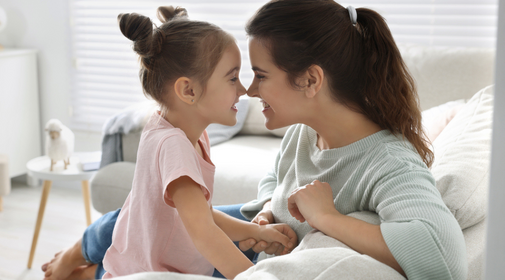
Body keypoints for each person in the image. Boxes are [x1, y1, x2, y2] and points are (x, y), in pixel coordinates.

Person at [43, 0, 468, 279]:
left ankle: (87, 269)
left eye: (260, 75)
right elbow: (275, 183)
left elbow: (444, 259)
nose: (249, 90)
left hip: (251, 259)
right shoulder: (304, 133)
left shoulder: (389, 163)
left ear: (310, 80)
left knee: (156, 223)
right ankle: (74, 256)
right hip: (256, 238)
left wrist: (328, 219)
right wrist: (266, 211)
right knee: (139, 216)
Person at [43, 6, 298, 280]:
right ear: (188, 91)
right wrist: (254, 277)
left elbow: (205, 214)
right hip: (154, 272)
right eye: (232, 78)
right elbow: (204, 233)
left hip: (153, 255)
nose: (243, 89)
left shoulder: (184, 130)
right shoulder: (174, 146)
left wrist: (256, 231)